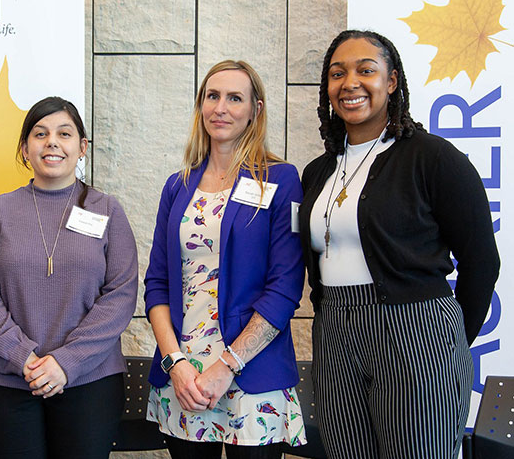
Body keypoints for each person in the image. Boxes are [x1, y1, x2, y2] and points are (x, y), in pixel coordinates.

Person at [298, 30, 500, 459]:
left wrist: (448, 343)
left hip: (418, 331)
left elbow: (482, 261)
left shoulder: (434, 158)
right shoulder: (318, 172)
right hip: (336, 328)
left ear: (391, 82)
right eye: (338, 73)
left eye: (365, 70)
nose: (349, 82)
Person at [144, 60, 307, 458]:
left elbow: (285, 288)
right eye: (212, 96)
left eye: (235, 98)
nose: (221, 107)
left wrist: (226, 366)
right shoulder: (177, 186)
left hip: (251, 373)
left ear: (256, 109)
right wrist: (175, 364)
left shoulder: (282, 180)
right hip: (185, 377)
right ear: (200, 106)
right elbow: (157, 285)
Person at [0, 96, 138, 459]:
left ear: (82, 147)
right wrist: (22, 357)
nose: (52, 142)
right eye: (40, 134)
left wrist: (66, 362)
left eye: (64, 133)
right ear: (25, 149)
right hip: (10, 381)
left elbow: (120, 295)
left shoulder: (107, 210)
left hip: (91, 381)